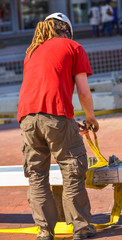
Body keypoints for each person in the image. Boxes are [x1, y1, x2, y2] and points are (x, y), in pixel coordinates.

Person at [17, 12, 99, 240]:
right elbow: (83, 91)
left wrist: (70, 124)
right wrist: (91, 118)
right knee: (73, 169)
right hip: (55, 116)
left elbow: (41, 99)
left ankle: (45, 231)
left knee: (36, 175)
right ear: (67, 30)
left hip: (27, 118)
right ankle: (81, 228)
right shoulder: (73, 47)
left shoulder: (31, 51)